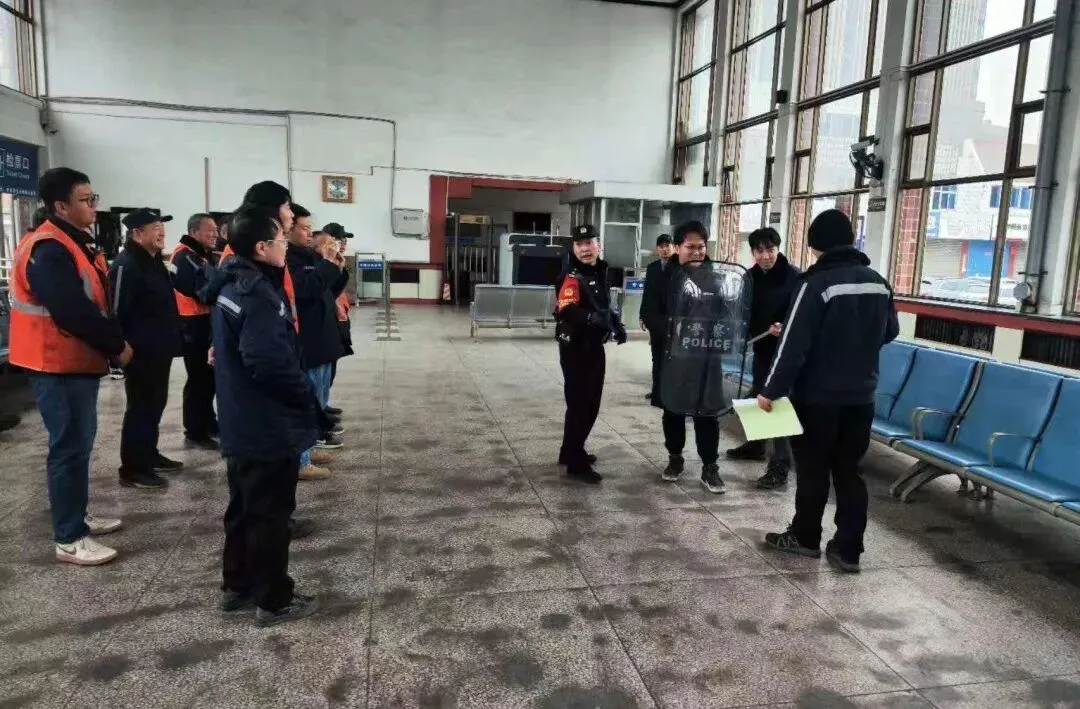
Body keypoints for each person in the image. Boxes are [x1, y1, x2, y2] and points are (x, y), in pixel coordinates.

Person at [760, 209, 899, 573]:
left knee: (813, 469)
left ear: (816, 245)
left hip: (817, 398)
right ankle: (848, 550)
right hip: (861, 398)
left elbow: (792, 345)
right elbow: (890, 331)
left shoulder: (816, 283)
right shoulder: (879, 283)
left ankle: (806, 538)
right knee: (850, 471)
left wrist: (770, 390)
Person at [204, 205, 319, 627]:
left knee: (244, 506)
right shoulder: (256, 293)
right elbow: (269, 363)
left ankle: (237, 584)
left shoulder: (230, 283)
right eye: (280, 239)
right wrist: (305, 397)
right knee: (270, 513)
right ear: (260, 247)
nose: (284, 245)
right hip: (264, 422)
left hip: (240, 416)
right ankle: (273, 599)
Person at [9, 167, 131, 565]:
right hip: (54, 362)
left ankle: (77, 516)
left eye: (94, 198)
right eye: (86, 200)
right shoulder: (48, 248)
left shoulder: (72, 241)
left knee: (79, 445)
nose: (94, 206)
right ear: (61, 206)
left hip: (73, 360)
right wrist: (116, 346)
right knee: (68, 447)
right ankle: (69, 537)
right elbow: (71, 309)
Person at [110, 208, 184, 489]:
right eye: (155, 228)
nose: (161, 232)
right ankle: (133, 468)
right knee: (140, 408)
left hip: (159, 349)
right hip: (139, 352)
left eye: (162, 227)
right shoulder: (127, 265)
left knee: (155, 403)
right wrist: (119, 346)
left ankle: (148, 454)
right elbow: (116, 309)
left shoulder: (152, 261)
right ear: (137, 233)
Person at [652, 221, 726, 494]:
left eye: (701, 247)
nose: (696, 252)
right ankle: (675, 458)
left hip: (707, 357)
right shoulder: (662, 276)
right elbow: (649, 312)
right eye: (690, 247)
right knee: (673, 409)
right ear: (677, 247)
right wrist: (671, 327)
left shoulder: (716, 277)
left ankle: (710, 466)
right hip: (673, 356)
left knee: (707, 412)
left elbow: (727, 314)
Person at [727, 227, 801, 490]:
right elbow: (743, 309)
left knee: (776, 404)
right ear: (753, 253)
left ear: (778, 249)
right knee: (759, 395)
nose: (765, 256)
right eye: (759, 251)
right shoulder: (750, 277)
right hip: (761, 349)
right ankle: (757, 446)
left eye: (770, 249)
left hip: (784, 353)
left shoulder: (795, 278)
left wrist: (785, 326)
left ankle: (780, 467)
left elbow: (802, 315)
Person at [554, 224, 627, 484]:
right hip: (576, 348)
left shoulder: (599, 270)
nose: (585, 249)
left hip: (593, 346)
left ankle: (569, 451)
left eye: (589, 243)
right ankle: (575, 463)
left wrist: (615, 324)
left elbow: (602, 304)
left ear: (599, 245)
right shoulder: (571, 274)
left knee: (589, 403)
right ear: (574, 248)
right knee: (581, 405)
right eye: (579, 244)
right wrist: (591, 318)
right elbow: (566, 309)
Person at [287, 206, 348, 482]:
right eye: (304, 228)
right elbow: (307, 290)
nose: (309, 233)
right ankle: (301, 460)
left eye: (310, 228)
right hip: (307, 338)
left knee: (320, 397)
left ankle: (309, 449)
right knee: (307, 400)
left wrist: (337, 267)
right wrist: (325, 263)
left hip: (322, 336)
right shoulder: (290, 260)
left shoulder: (308, 257)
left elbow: (326, 290)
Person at [170, 213, 221, 449]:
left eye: (216, 229)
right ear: (194, 232)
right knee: (198, 379)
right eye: (210, 230)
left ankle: (208, 421)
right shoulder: (186, 257)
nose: (215, 234)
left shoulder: (199, 254)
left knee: (208, 378)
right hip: (193, 325)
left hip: (203, 322)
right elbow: (204, 291)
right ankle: (195, 430)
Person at [322, 223, 355, 411]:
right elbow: (325, 291)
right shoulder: (323, 263)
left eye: (344, 241)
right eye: (339, 240)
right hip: (327, 319)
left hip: (338, 320)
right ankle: (320, 407)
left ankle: (325, 403)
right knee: (322, 368)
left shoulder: (337, 262)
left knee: (331, 366)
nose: (343, 244)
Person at [639, 234, 674, 403]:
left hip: (673, 321)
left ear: (674, 247)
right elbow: (646, 292)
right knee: (657, 357)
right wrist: (642, 315)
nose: (665, 249)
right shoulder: (652, 267)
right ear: (657, 249)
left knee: (670, 359)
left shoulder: (679, 267)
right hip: (655, 320)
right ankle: (656, 392)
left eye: (668, 245)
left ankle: (668, 393)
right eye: (661, 246)